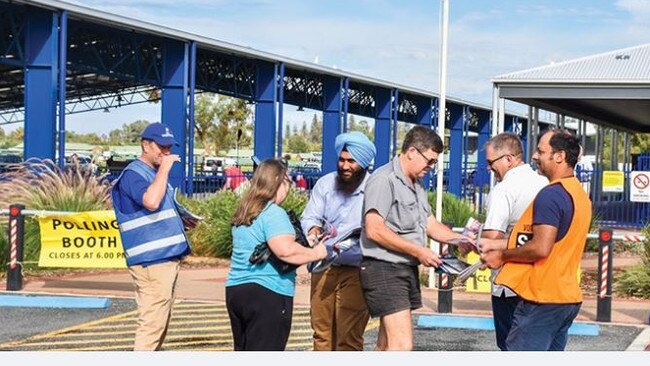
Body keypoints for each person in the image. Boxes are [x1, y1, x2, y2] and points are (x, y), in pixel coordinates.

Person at [360, 125, 474, 351]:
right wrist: (419, 251)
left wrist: (460, 239)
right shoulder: (384, 180)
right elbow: (374, 229)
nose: (431, 167)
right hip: (385, 268)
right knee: (402, 346)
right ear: (412, 151)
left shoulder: (415, 184)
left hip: (402, 269)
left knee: (386, 346)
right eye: (430, 161)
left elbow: (430, 225)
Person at [481, 129, 592, 351]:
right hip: (566, 297)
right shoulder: (578, 194)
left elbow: (540, 247)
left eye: (541, 151)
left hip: (542, 297)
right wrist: (500, 245)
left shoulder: (551, 194)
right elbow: (555, 241)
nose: (534, 156)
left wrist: (501, 255)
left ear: (559, 156)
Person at [225, 158, 327, 351]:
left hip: (237, 290)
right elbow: (285, 251)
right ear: (278, 182)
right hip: (268, 291)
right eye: (288, 181)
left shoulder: (245, 210)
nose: (289, 187)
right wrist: (317, 252)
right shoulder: (273, 213)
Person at [111, 122, 191, 351]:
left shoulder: (151, 174)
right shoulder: (134, 174)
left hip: (163, 259)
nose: (166, 153)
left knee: (159, 322)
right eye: (162, 147)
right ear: (145, 145)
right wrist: (165, 170)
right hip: (151, 262)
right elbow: (151, 201)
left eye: (169, 148)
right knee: (152, 323)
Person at [300, 131, 376, 351]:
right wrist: (313, 230)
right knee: (321, 334)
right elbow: (310, 216)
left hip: (357, 269)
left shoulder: (374, 188)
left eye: (351, 161)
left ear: (363, 163)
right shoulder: (325, 184)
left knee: (349, 338)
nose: (345, 166)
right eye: (342, 160)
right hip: (323, 267)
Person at [473, 132, 548, 351]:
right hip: (541, 281)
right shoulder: (545, 182)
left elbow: (492, 237)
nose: (488, 168)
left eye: (490, 162)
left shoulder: (504, 189)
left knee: (510, 346)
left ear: (508, 159)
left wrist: (473, 239)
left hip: (509, 284)